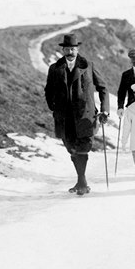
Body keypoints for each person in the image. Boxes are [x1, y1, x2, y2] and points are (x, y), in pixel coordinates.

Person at [44, 33, 109, 196]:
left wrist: (105, 109)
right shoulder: (55, 68)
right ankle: (81, 180)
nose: (70, 52)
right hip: (64, 117)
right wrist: (53, 107)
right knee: (71, 149)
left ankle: (82, 182)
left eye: (73, 49)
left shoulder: (88, 65)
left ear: (77, 49)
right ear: (63, 50)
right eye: (67, 49)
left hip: (85, 116)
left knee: (83, 148)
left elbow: (103, 88)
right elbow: (48, 90)